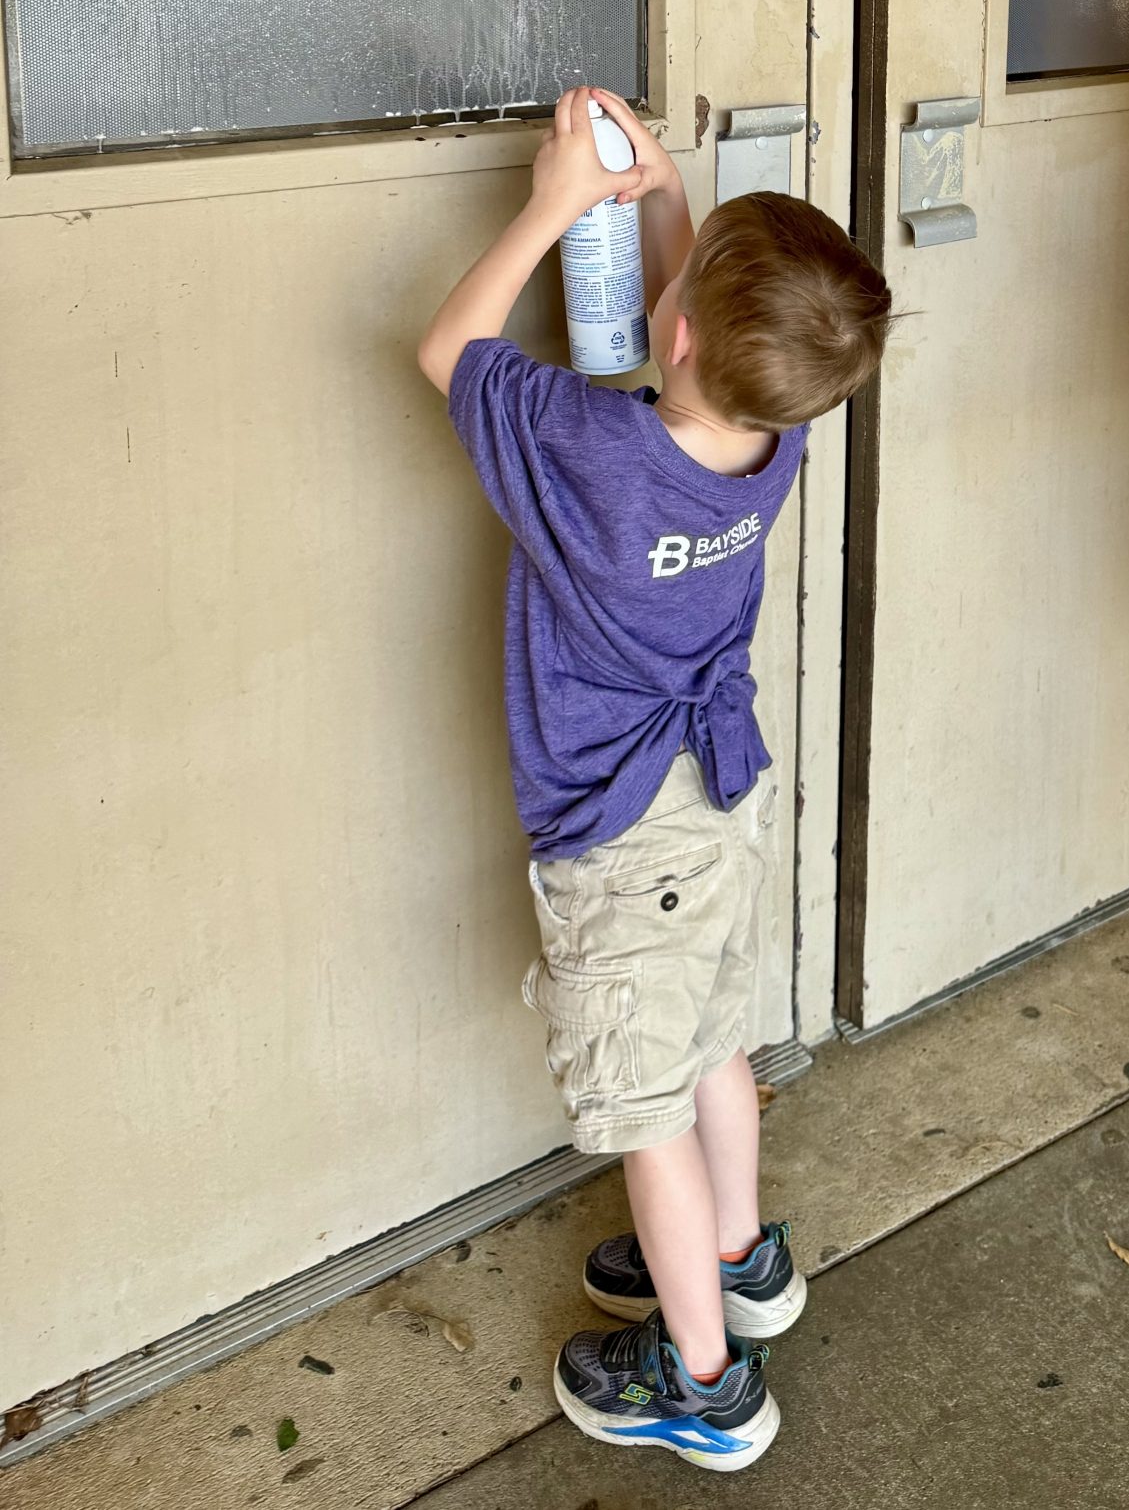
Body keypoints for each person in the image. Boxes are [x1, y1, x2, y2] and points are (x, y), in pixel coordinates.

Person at [418, 89, 890, 1466]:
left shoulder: (589, 450)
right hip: (721, 792)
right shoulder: (774, 436)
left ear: (673, 329)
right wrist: (671, 197)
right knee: (715, 1049)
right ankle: (741, 1259)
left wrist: (558, 207)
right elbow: (726, 343)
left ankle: (700, 1380)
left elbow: (448, 348)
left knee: (648, 1113)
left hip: (622, 833)